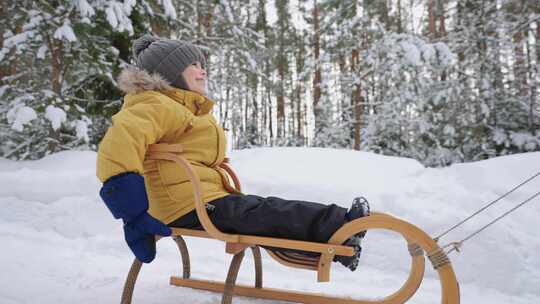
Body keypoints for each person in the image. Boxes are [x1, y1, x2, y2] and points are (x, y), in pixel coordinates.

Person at [96, 35, 370, 271]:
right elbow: (119, 146)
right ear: (170, 73)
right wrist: (133, 214)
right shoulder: (155, 104)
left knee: (263, 214)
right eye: (193, 64)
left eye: (203, 64)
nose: (202, 70)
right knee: (266, 212)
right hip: (184, 204)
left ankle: (336, 243)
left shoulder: (183, 108)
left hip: (202, 198)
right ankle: (340, 224)